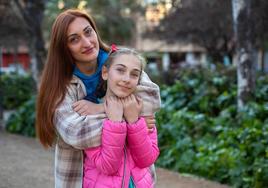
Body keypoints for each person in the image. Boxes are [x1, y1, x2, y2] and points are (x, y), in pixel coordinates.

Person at [35, 9, 161, 188]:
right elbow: (77, 134)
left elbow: (150, 98)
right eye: (74, 39)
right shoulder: (60, 85)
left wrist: (99, 109)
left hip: (136, 179)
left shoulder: (120, 61)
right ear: (63, 48)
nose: (86, 42)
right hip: (82, 179)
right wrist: (132, 118)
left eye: (88, 32)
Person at [79, 47, 159, 187]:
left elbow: (146, 160)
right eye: (120, 70)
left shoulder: (141, 112)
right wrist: (115, 123)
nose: (126, 79)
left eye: (134, 74)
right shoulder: (90, 114)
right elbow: (107, 166)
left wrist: (134, 121)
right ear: (105, 72)